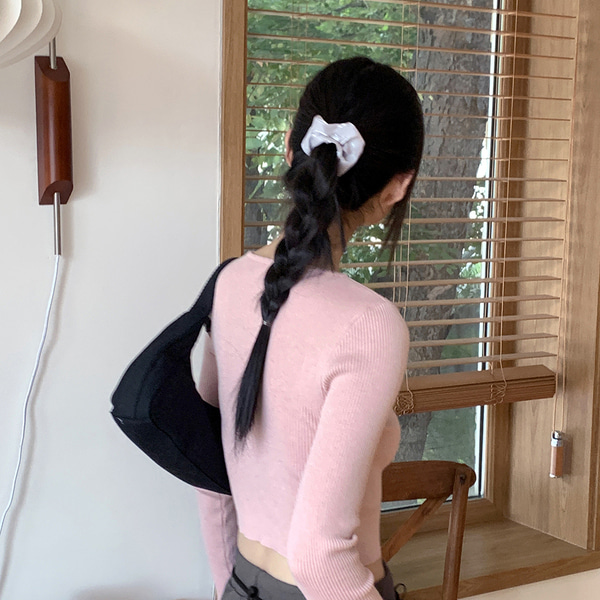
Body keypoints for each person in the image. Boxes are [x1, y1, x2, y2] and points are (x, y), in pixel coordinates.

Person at [197, 56, 424, 600]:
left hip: (240, 581)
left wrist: (227, 586)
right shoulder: (368, 324)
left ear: (288, 148)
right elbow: (320, 556)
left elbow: (209, 475)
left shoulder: (228, 283)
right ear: (399, 185)